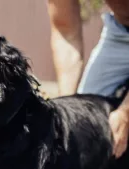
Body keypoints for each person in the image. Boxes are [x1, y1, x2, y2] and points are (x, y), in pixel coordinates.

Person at [47, 0, 129, 158]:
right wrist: (66, 107)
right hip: (120, 31)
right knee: (83, 126)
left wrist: (125, 113)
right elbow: (66, 33)